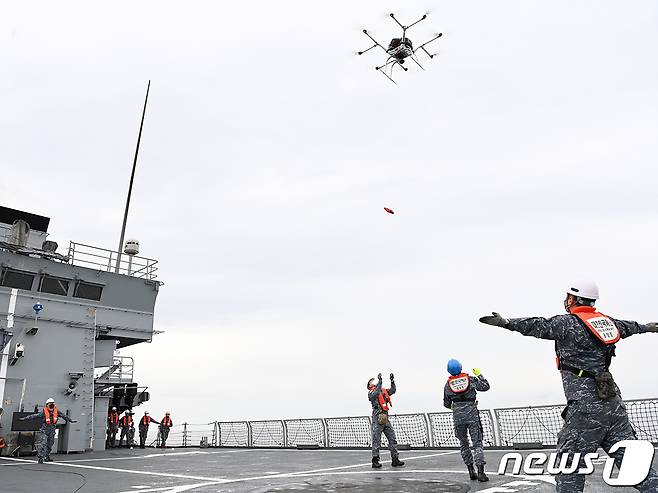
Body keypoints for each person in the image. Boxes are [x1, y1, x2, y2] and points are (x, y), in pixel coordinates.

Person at [480, 281, 658, 493]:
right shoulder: (608, 322)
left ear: (572, 299)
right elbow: (630, 327)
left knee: (568, 467)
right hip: (613, 405)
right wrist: (647, 327)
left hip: (585, 409)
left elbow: (538, 325)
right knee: (633, 465)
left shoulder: (567, 323)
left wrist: (507, 322)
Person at [443, 359, 490, 482]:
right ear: (460, 367)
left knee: (464, 445)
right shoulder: (471, 379)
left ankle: (471, 471)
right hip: (472, 416)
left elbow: (446, 403)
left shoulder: (448, 385)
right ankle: (481, 473)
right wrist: (479, 375)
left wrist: (456, 406)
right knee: (477, 444)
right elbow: (486, 387)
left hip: (458, 418)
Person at [19, 398, 76, 463]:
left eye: (52, 404)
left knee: (50, 444)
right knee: (43, 443)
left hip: (52, 430)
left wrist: (70, 420)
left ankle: (47, 456)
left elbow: (64, 416)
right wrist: (25, 418)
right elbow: (34, 416)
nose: (51, 405)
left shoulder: (57, 411)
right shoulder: (43, 412)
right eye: (50, 404)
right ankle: (41, 457)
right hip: (44, 430)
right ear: (47, 405)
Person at [367, 373, 404, 469]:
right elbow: (376, 392)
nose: (374, 382)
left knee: (392, 438)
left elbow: (393, 390)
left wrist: (392, 381)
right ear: (370, 386)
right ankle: (375, 460)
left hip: (385, 418)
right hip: (377, 418)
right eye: (372, 381)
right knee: (376, 440)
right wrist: (380, 381)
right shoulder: (371, 393)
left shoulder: (383, 391)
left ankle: (395, 459)